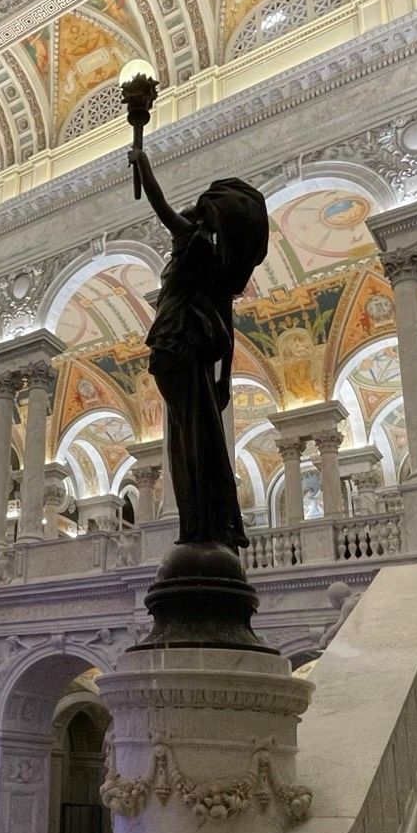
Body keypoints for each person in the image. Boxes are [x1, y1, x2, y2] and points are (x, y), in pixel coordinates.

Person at [128, 144, 269, 551]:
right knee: (196, 433)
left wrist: (145, 163)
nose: (189, 211)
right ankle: (203, 519)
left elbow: (161, 207)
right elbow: (227, 323)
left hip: (177, 343)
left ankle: (199, 521)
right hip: (186, 348)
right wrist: (224, 377)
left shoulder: (192, 242)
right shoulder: (216, 265)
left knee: (190, 435)